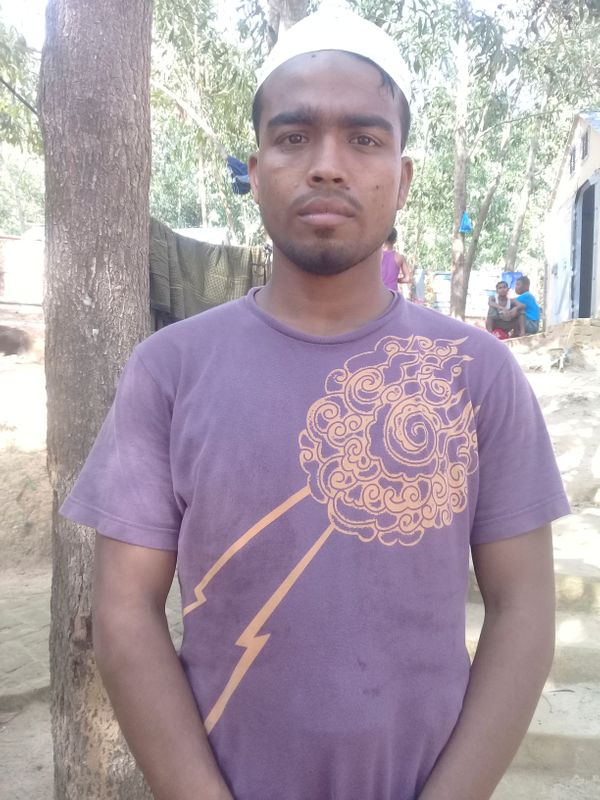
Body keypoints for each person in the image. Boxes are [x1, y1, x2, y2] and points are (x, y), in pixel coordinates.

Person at [60, 10, 569, 800]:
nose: (328, 165)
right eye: (295, 137)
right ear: (256, 167)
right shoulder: (168, 372)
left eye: (365, 139)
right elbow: (125, 611)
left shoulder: (475, 375)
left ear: (402, 178)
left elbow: (523, 609)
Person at [381, 227, 411, 294]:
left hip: (377, 294)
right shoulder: (400, 258)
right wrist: (396, 280)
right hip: (392, 295)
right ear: (395, 240)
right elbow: (407, 278)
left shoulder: (375, 257)